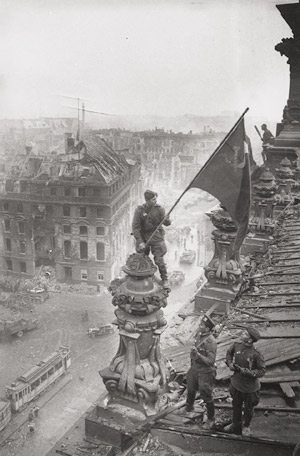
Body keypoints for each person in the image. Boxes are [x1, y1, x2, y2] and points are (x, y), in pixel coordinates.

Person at [224, 326, 265, 437]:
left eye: (245, 334)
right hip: (237, 384)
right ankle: (235, 424)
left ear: (250, 340)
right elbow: (229, 353)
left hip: (250, 388)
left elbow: (262, 371)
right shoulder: (236, 346)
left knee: (248, 409)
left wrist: (248, 372)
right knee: (236, 406)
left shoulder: (256, 354)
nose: (242, 333)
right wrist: (230, 363)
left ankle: (246, 426)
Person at [131, 189, 171, 287]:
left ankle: (164, 279)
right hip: (143, 236)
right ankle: (144, 278)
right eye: (153, 200)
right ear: (147, 201)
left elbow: (167, 223)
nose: (155, 201)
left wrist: (167, 220)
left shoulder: (159, 209)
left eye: (155, 199)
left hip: (156, 236)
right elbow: (135, 228)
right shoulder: (140, 210)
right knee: (141, 258)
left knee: (159, 260)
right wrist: (140, 241)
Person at [186, 315, 217, 430]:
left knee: (206, 395)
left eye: (201, 325)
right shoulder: (199, 336)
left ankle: (211, 418)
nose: (199, 326)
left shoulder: (211, 342)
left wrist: (198, 355)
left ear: (208, 329)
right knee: (190, 389)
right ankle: (189, 409)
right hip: (195, 368)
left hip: (205, 372)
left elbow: (210, 361)